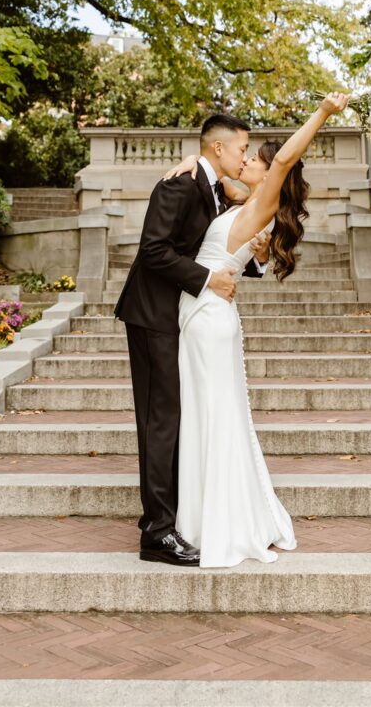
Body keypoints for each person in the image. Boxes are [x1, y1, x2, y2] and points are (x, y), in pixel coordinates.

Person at [171, 92, 349, 567]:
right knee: (212, 417)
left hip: (209, 319)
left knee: (215, 418)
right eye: (244, 155)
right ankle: (213, 518)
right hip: (206, 315)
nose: (246, 160)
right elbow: (221, 189)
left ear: (272, 175)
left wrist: (323, 113)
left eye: (256, 160)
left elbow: (287, 156)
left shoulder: (261, 202)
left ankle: (217, 525)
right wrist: (195, 158)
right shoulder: (243, 205)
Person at [114, 114, 271, 566]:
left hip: (182, 316)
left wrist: (252, 261)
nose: (246, 156)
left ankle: (175, 519)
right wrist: (208, 282)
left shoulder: (210, 185)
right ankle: (156, 535)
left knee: (174, 417)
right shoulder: (178, 186)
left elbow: (224, 240)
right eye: (242, 148)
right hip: (153, 316)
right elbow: (153, 249)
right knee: (161, 420)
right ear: (219, 148)